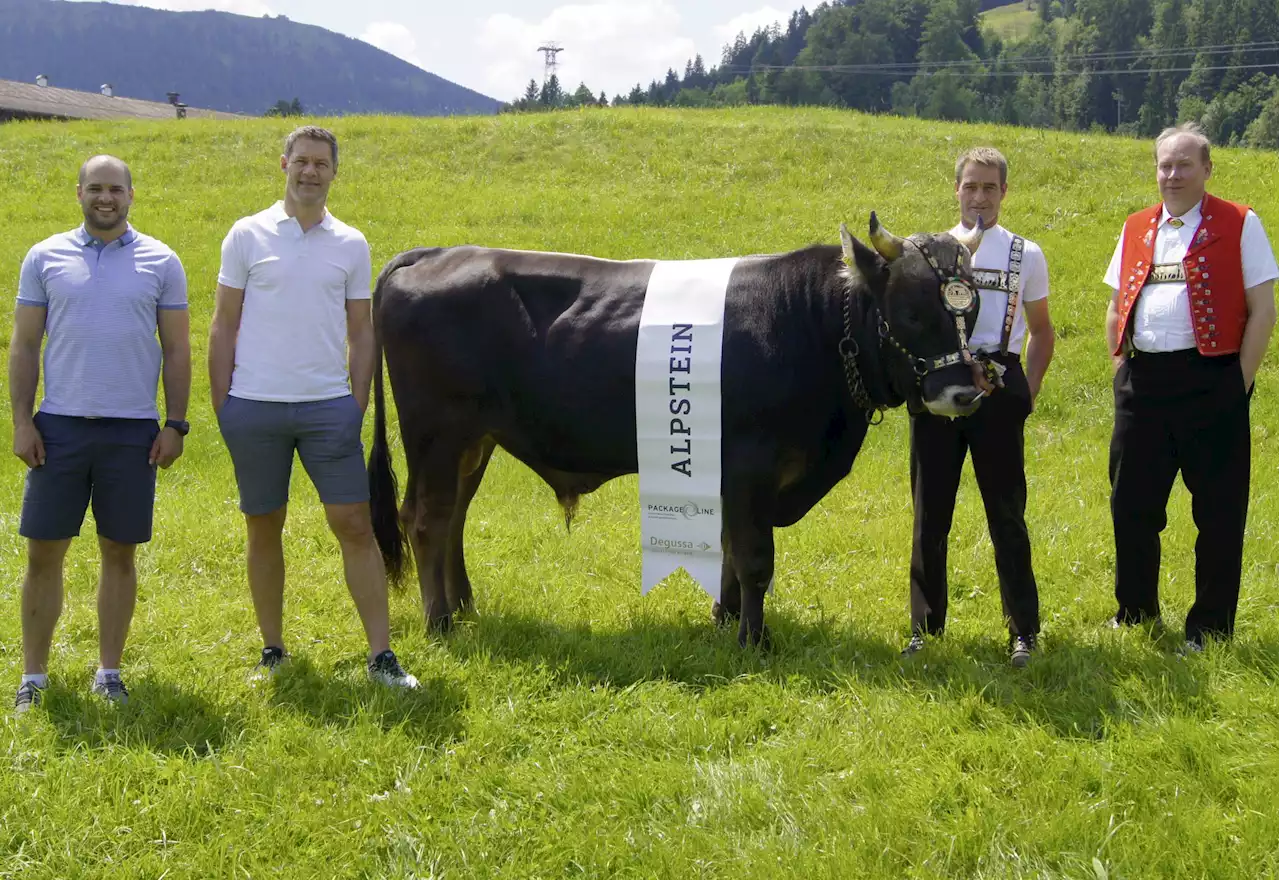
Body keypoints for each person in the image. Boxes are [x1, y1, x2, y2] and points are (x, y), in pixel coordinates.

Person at [208, 124, 418, 689]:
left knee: (354, 525)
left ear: (333, 172)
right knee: (263, 524)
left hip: (328, 410)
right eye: (301, 161)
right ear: (283, 165)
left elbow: (362, 331)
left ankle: (382, 657)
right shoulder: (246, 236)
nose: (309, 172)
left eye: (321, 164)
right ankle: (272, 649)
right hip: (254, 407)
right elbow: (224, 323)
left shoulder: (350, 243)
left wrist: (355, 402)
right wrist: (223, 402)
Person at [10, 155, 191, 714]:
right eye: (95, 188)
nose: (105, 197)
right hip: (58, 429)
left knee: (120, 552)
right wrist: (21, 420)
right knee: (44, 554)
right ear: (79, 193)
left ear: (132, 194)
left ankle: (109, 671)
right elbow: (23, 346)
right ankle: (33, 678)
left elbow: (179, 348)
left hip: (132, 432)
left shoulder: (161, 261)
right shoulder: (44, 257)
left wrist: (175, 424)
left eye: (115, 188)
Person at [1103, 122, 1278, 652]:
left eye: (1183, 165)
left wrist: (1237, 384)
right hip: (1143, 383)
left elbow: (1263, 308)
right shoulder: (1136, 226)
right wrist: (1122, 375)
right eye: (1164, 165)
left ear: (1206, 169)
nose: (1172, 174)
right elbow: (1114, 306)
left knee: (1219, 512)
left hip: (1212, 382)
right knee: (1130, 503)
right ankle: (1134, 613)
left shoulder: (1240, 222)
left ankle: (1209, 628)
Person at [902, 146, 1056, 667]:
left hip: (998, 385)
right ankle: (925, 629)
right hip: (941, 388)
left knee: (1007, 515)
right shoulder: (929, 251)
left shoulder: (1026, 254)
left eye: (990, 187)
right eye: (971, 186)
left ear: (1004, 193)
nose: (980, 197)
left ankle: (1024, 631)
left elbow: (1041, 332)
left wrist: (1024, 392)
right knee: (929, 514)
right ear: (956, 190)